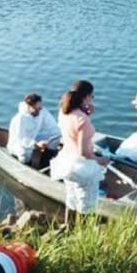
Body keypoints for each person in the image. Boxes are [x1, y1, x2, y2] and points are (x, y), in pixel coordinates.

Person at [50, 80, 108, 213]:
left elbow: (73, 131)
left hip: (66, 161)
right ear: (86, 97)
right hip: (82, 166)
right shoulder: (83, 120)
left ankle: (68, 226)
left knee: (71, 198)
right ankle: (83, 230)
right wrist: (100, 161)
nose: (92, 99)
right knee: (87, 203)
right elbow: (83, 152)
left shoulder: (64, 112)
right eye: (92, 96)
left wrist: (87, 113)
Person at [7, 93, 61, 168]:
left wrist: (52, 139)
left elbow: (53, 128)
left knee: (55, 136)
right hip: (18, 144)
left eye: (40, 108)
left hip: (33, 138)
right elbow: (21, 139)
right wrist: (36, 145)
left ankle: (46, 160)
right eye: (36, 109)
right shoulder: (20, 118)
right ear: (28, 107)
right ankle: (27, 167)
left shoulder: (41, 112)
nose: (39, 112)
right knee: (24, 153)